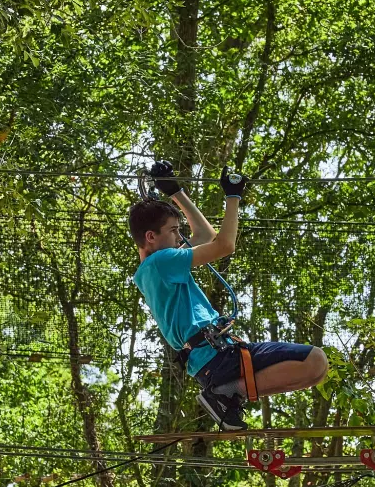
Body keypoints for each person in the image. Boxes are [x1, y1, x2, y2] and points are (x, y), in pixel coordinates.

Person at [129, 161, 329, 430]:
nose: (179, 237)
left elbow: (206, 235)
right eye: (174, 231)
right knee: (315, 360)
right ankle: (224, 393)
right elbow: (224, 245)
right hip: (216, 356)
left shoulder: (155, 268)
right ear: (151, 237)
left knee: (315, 370)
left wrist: (176, 192)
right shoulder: (161, 262)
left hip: (214, 356)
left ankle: (228, 394)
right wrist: (233, 196)